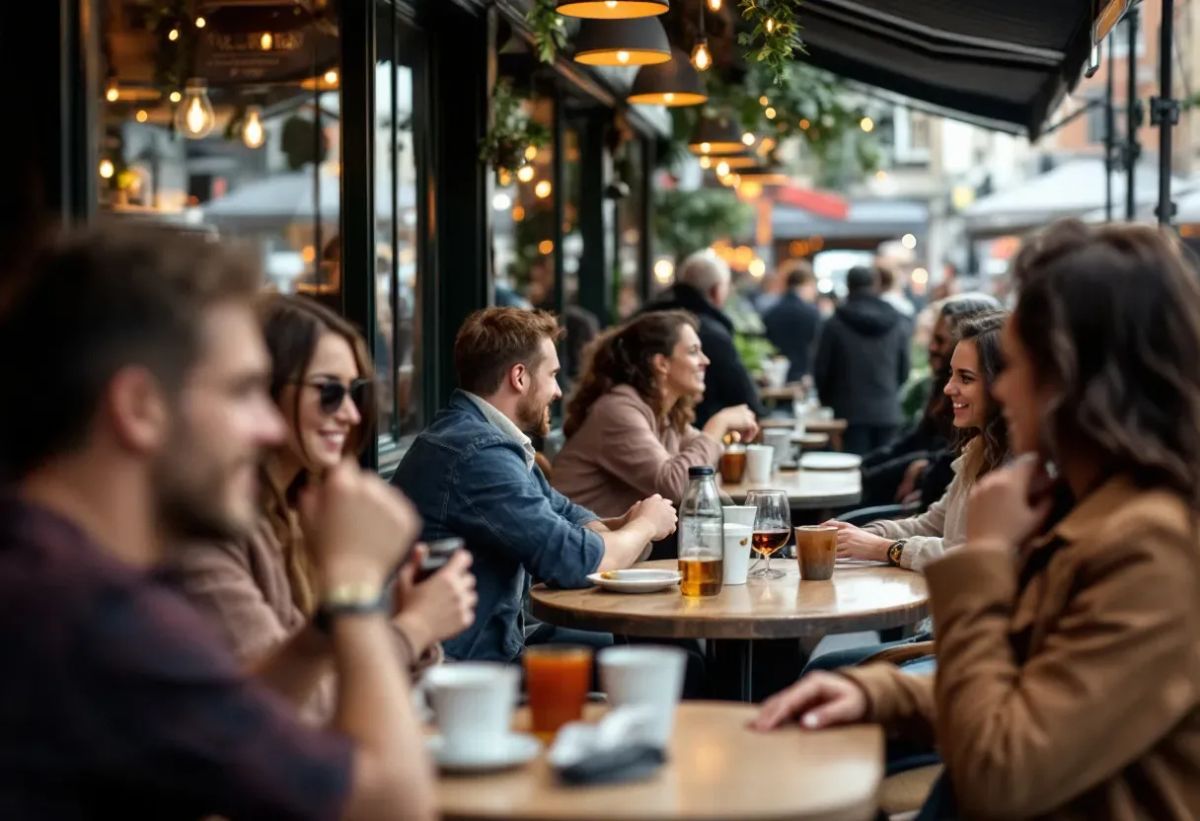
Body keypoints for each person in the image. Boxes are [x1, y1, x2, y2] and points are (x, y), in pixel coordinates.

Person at [754, 220, 1200, 819]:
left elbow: (1003, 772)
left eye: (1013, 366)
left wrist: (983, 558)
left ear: (1073, 378)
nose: (1002, 389)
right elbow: (1028, 690)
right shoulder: (1097, 506)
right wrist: (878, 691)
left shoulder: (1152, 548)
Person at [0, 228, 435, 819]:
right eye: (244, 392)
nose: (270, 429)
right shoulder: (91, 615)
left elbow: (241, 716)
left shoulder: (51, 574)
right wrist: (357, 587)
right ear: (139, 408)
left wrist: (326, 624)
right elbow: (389, 803)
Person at [175, 294, 477, 723]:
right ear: (262, 391)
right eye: (329, 392)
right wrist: (412, 628)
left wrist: (394, 613)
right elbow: (300, 711)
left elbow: (389, 701)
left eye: (357, 393)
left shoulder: (314, 516)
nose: (352, 414)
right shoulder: (211, 532)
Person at [393, 307, 678, 662]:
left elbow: (566, 514)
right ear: (519, 377)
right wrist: (646, 524)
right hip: (466, 670)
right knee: (665, 662)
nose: (558, 391)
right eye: (553, 375)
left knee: (647, 647)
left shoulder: (482, 437)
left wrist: (625, 527)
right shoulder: (478, 454)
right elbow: (573, 561)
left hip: (500, 641)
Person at [826, 311, 1008, 570]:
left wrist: (882, 548)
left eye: (965, 378)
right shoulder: (979, 450)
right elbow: (931, 523)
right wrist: (860, 535)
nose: (948, 388)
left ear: (1002, 385)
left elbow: (968, 557)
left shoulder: (1016, 462)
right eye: (951, 374)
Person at [552, 311, 759, 518]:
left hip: (622, 542)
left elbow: (699, 461)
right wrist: (718, 425)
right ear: (661, 363)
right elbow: (674, 485)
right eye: (694, 351)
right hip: (580, 541)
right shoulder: (618, 410)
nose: (705, 361)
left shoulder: (662, 413)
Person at [860, 294, 1001, 507]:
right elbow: (919, 440)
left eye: (941, 341)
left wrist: (923, 469)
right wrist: (863, 468)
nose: (932, 347)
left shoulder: (995, 454)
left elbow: (950, 532)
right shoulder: (976, 447)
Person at [643, 250, 766, 425]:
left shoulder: (644, 318)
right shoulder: (713, 332)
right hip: (700, 428)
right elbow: (744, 399)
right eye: (694, 351)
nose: (704, 361)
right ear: (716, 290)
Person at [812, 265, 910, 454]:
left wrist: (827, 401)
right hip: (887, 409)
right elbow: (904, 367)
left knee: (852, 474)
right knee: (884, 475)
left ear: (848, 285)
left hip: (848, 411)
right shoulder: (895, 321)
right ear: (875, 284)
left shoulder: (834, 323)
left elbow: (822, 369)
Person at [762, 259, 822, 383]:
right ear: (807, 283)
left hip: (777, 378)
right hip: (804, 377)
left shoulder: (771, 312)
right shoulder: (812, 313)